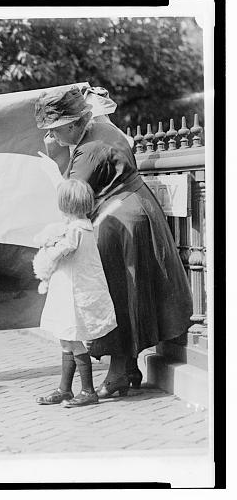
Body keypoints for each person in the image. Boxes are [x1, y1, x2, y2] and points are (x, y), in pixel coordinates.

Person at [34, 86, 193, 398]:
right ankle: (128, 367)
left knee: (118, 294)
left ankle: (119, 374)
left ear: (69, 125)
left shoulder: (87, 152)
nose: (51, 138)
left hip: (118, 221)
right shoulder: (103, 127)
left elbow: (72, 199)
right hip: (136, 211)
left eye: (54, 131)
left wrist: (54, 173)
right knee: (129, 292)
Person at [33, 179, 117, 408]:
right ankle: (64, 388)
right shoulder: (80, 227)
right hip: (66, 289)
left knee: (73, 338)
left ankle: (88, 390)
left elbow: (65, 249)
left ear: (66, 205)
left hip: (74, 292)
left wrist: (50, 249)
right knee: (65, 338)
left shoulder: (77, 229)